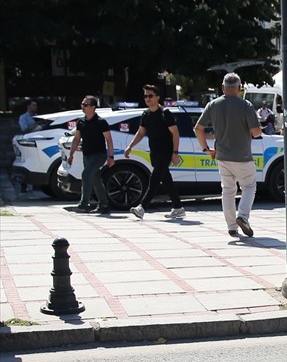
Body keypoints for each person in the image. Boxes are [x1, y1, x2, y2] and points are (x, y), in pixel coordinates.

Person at [195, 73, 263, 238]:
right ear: (239, 88)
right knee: (249, 187)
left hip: (222, 156)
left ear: (223, 87)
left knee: (228, 190)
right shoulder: (246, 105)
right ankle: (243, 216)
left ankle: (232, 226)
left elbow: (198, 128)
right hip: (242, 156)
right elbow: (256, 132)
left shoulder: (213, 105)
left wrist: (206, 149)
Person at [125, 84, 185, 220]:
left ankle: (142, 207)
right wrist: (130, 146)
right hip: (154, 152)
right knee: (166, 180)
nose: (148, 98)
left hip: (166, 151)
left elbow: (175, 133)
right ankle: (178, 207)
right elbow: (140, 133)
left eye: (150, 96)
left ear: (157, 97)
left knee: (155, 179)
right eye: (145, 96)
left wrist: (175, 152)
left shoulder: (165, 113)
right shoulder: (145, 114)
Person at [65, 95, 114, 214]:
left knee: (86, 175)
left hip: (99, 155)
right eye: (82, 104)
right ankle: (104, 204)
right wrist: (71, 154)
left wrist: (111, 157)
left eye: (85, 105)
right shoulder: (81, 121)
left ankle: (84, 204)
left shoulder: (101, 122)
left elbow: (109, 139)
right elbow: (77, 138)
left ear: (93, 107)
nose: (83, 106)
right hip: (86, 155)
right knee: (96, 179)